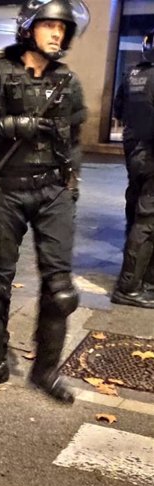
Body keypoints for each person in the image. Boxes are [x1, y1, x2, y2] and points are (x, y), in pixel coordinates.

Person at [0, 0, 89, 402]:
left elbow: (76, 138)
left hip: (53, 191)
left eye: (62, 28)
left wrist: (71, 184)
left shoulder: (70, 81)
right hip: (6, 188)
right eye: (49, 26)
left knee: (62, 290)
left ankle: (45, 372)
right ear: (28, 28)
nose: (57, 34)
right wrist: (10, 125)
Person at [111, 28, 154, 308]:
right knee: (148, 222)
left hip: (135, 154)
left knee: (138, 213)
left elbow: (118, 111)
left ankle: (145, 279)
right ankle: (129, 286)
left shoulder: (132, 74)